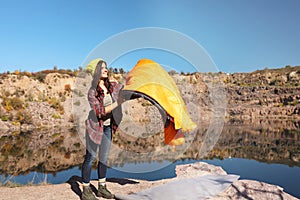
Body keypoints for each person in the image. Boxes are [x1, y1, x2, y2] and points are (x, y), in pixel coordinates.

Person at [81, 59, 123, 200]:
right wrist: (118, 103)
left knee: (103, 159)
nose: (106, 70)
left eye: (106, 67)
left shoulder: (113, 86)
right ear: (96, 72)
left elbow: (127, 90)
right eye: (103, 68)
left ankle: (102, 188)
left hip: (108, 128)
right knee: (90, 158)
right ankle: (86, 190)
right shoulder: (92, 92)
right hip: (95, 128)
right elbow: (100, 112)